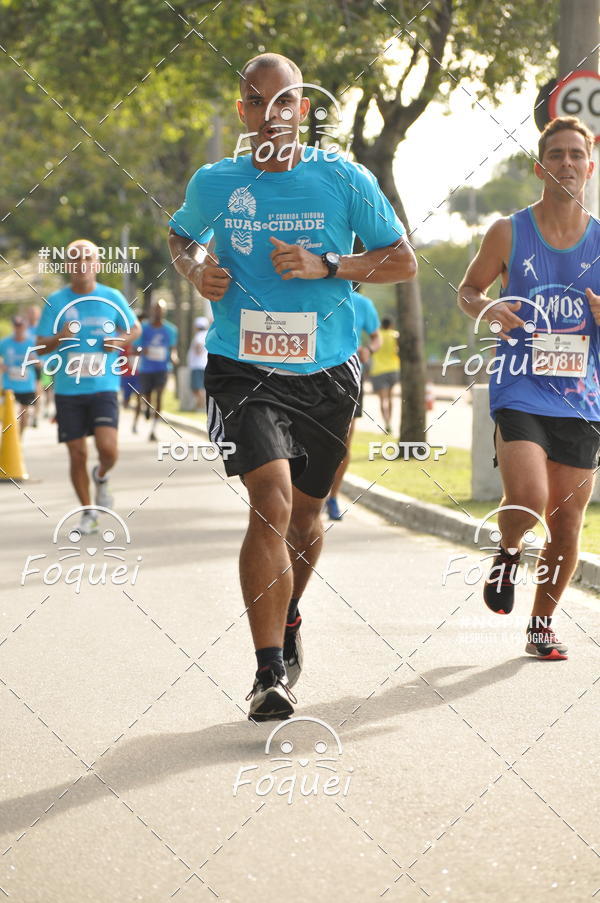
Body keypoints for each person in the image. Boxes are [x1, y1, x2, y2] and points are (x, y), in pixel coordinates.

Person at [168, 52, 417, 721]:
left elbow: (402, 261)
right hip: (243, 367)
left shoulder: (344, 178)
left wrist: (327, 263)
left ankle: (291, 611)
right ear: (242, 111)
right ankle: (268, 671)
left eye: (284, 101)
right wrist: (195, 270)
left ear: (303, 109)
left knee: (307, 518)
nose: (270, 113)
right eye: (256, 101)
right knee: (270, 502)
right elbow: (181, 237)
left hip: (327, 372)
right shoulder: (217, 182)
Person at [457, 115, 600, 661]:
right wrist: (490, 308)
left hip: (582, 397)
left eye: (576, 155)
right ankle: (510, 549)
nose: (566, 163)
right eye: (556, 154)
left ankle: (541, 625)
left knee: (566, 522)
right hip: (519, 386)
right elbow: (469, 291)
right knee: (531, 497)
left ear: (589, 167)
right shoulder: (508, 231)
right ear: (541, 167)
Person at [36, 239, 141, 534]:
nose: (81, 264)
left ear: (97, 264)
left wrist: (119, 340)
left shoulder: (111, 296)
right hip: (68, 390)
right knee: (77, 453)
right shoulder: (56, 301)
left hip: (103, 385)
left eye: (87, 259)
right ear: (67, 265)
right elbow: (40, 345)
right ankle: (88, 511)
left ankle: (102, 475)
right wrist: (59, 337)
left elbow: (135, 328)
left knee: (108, 449)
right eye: (75, 259)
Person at [326, 290, 381, 520]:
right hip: (311, 374)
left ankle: (332, 498)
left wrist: (369, 349)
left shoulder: (362, 303)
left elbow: (377, 337)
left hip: (349, 378)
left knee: (343, 443)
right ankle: (306, 496)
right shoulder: (315, 293)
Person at [132, 299, 178, 441]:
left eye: (160, 310)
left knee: (159, 396)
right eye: (155, 309)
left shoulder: (171, 329)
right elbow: (135, 347)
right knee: (147, 396)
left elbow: (173, 349)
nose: (158, 312)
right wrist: (142, 350)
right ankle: (147, 408)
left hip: (162, 368)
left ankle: (153, 430)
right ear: (152, 311)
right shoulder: (143, 328)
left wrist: (174, 357)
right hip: (146, 368)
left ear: (164, 312)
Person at [0, 315, 39, 435]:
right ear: (13, 327)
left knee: (23, 415)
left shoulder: (32, 343)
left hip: (26, 386)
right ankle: (7, 437)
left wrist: (35, 361)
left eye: (21, 326)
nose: (18, 329)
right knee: (7, 414)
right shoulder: (5, 343)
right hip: (9, 385)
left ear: (25, 326)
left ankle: (19, 439)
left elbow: (43, 363)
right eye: (16, 326)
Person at [370, 317, 400, 432]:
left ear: (381, 325)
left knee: (382, 399)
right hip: (393, 368)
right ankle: (390, 420)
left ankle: (386, 422)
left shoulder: (377, 335)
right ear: (391, 325)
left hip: (379, 370)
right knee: (391, 397)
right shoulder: (395, 335)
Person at [25, 304, 42, 427]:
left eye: (34, 313)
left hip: (37, 363)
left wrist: (41, 361)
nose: (32, 315)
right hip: (24, 363)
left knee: (37, 390)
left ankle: (36, 416)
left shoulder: (42, 329)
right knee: (25, 390)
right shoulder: (24, 328)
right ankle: (24, 414)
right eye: (30, 312)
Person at [187, 315, 209, 410]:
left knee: (196, 387)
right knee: (201, 387)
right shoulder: (207, 334)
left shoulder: (199, 335)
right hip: (204, 364)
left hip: (197, 365)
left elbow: (199, 347)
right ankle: (200, 405)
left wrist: (198, 351)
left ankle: (201, 406)